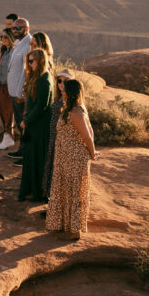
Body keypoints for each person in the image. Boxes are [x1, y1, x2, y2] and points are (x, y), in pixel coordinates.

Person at [46, 79, 98, 240]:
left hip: (74, 158)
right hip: (65, 157)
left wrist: (93, 153)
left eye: (64, 90)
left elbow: (88, 136)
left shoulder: (77, 112)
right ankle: (65, 226)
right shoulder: (69, 109)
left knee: (73, 192)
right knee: (65, 190)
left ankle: (74, 231)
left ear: (71, 93)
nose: (61, 91)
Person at [17, 48, 52, 202]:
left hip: (39, 126)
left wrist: (26, 121)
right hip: (33, 124)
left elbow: (42, 106)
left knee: (38, 158)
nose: (29, 64)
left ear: (41, 61)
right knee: (30, 157)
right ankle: (29, 189)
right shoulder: (36, 77)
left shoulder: (45, 79)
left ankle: (38, 192)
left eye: (32, 61)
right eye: (28, 61)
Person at [43, 69, 74, 196]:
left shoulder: (71, 99)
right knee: (51, 165)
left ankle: (56, 199)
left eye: (65, 81)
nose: (61, 84)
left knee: (59, 169)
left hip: (63, 138)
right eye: (59, 81)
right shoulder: (58, 97)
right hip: (53, 136)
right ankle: (50, 197)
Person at [6, 17, 33, 151]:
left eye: (18, 28)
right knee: (18, 122)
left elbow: (26, 72)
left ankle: (24, 152)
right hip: (13, 92)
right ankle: (22, 150)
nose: (15, 31)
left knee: (23, 123)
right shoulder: (18, 43)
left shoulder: (28, 45)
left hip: (19, 94)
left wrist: (20, 94)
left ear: (26, 29)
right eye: (13, 28)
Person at [0, 30, 16, 149]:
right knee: (2, 112)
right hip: (1, 86)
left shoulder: (13, 52)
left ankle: (9, 139)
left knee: (8, 113)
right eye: (1, 36)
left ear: (11, 37)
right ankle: (7, 138)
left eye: (5, 36)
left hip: (9, 87)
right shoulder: (5, 52)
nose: (3, 39)